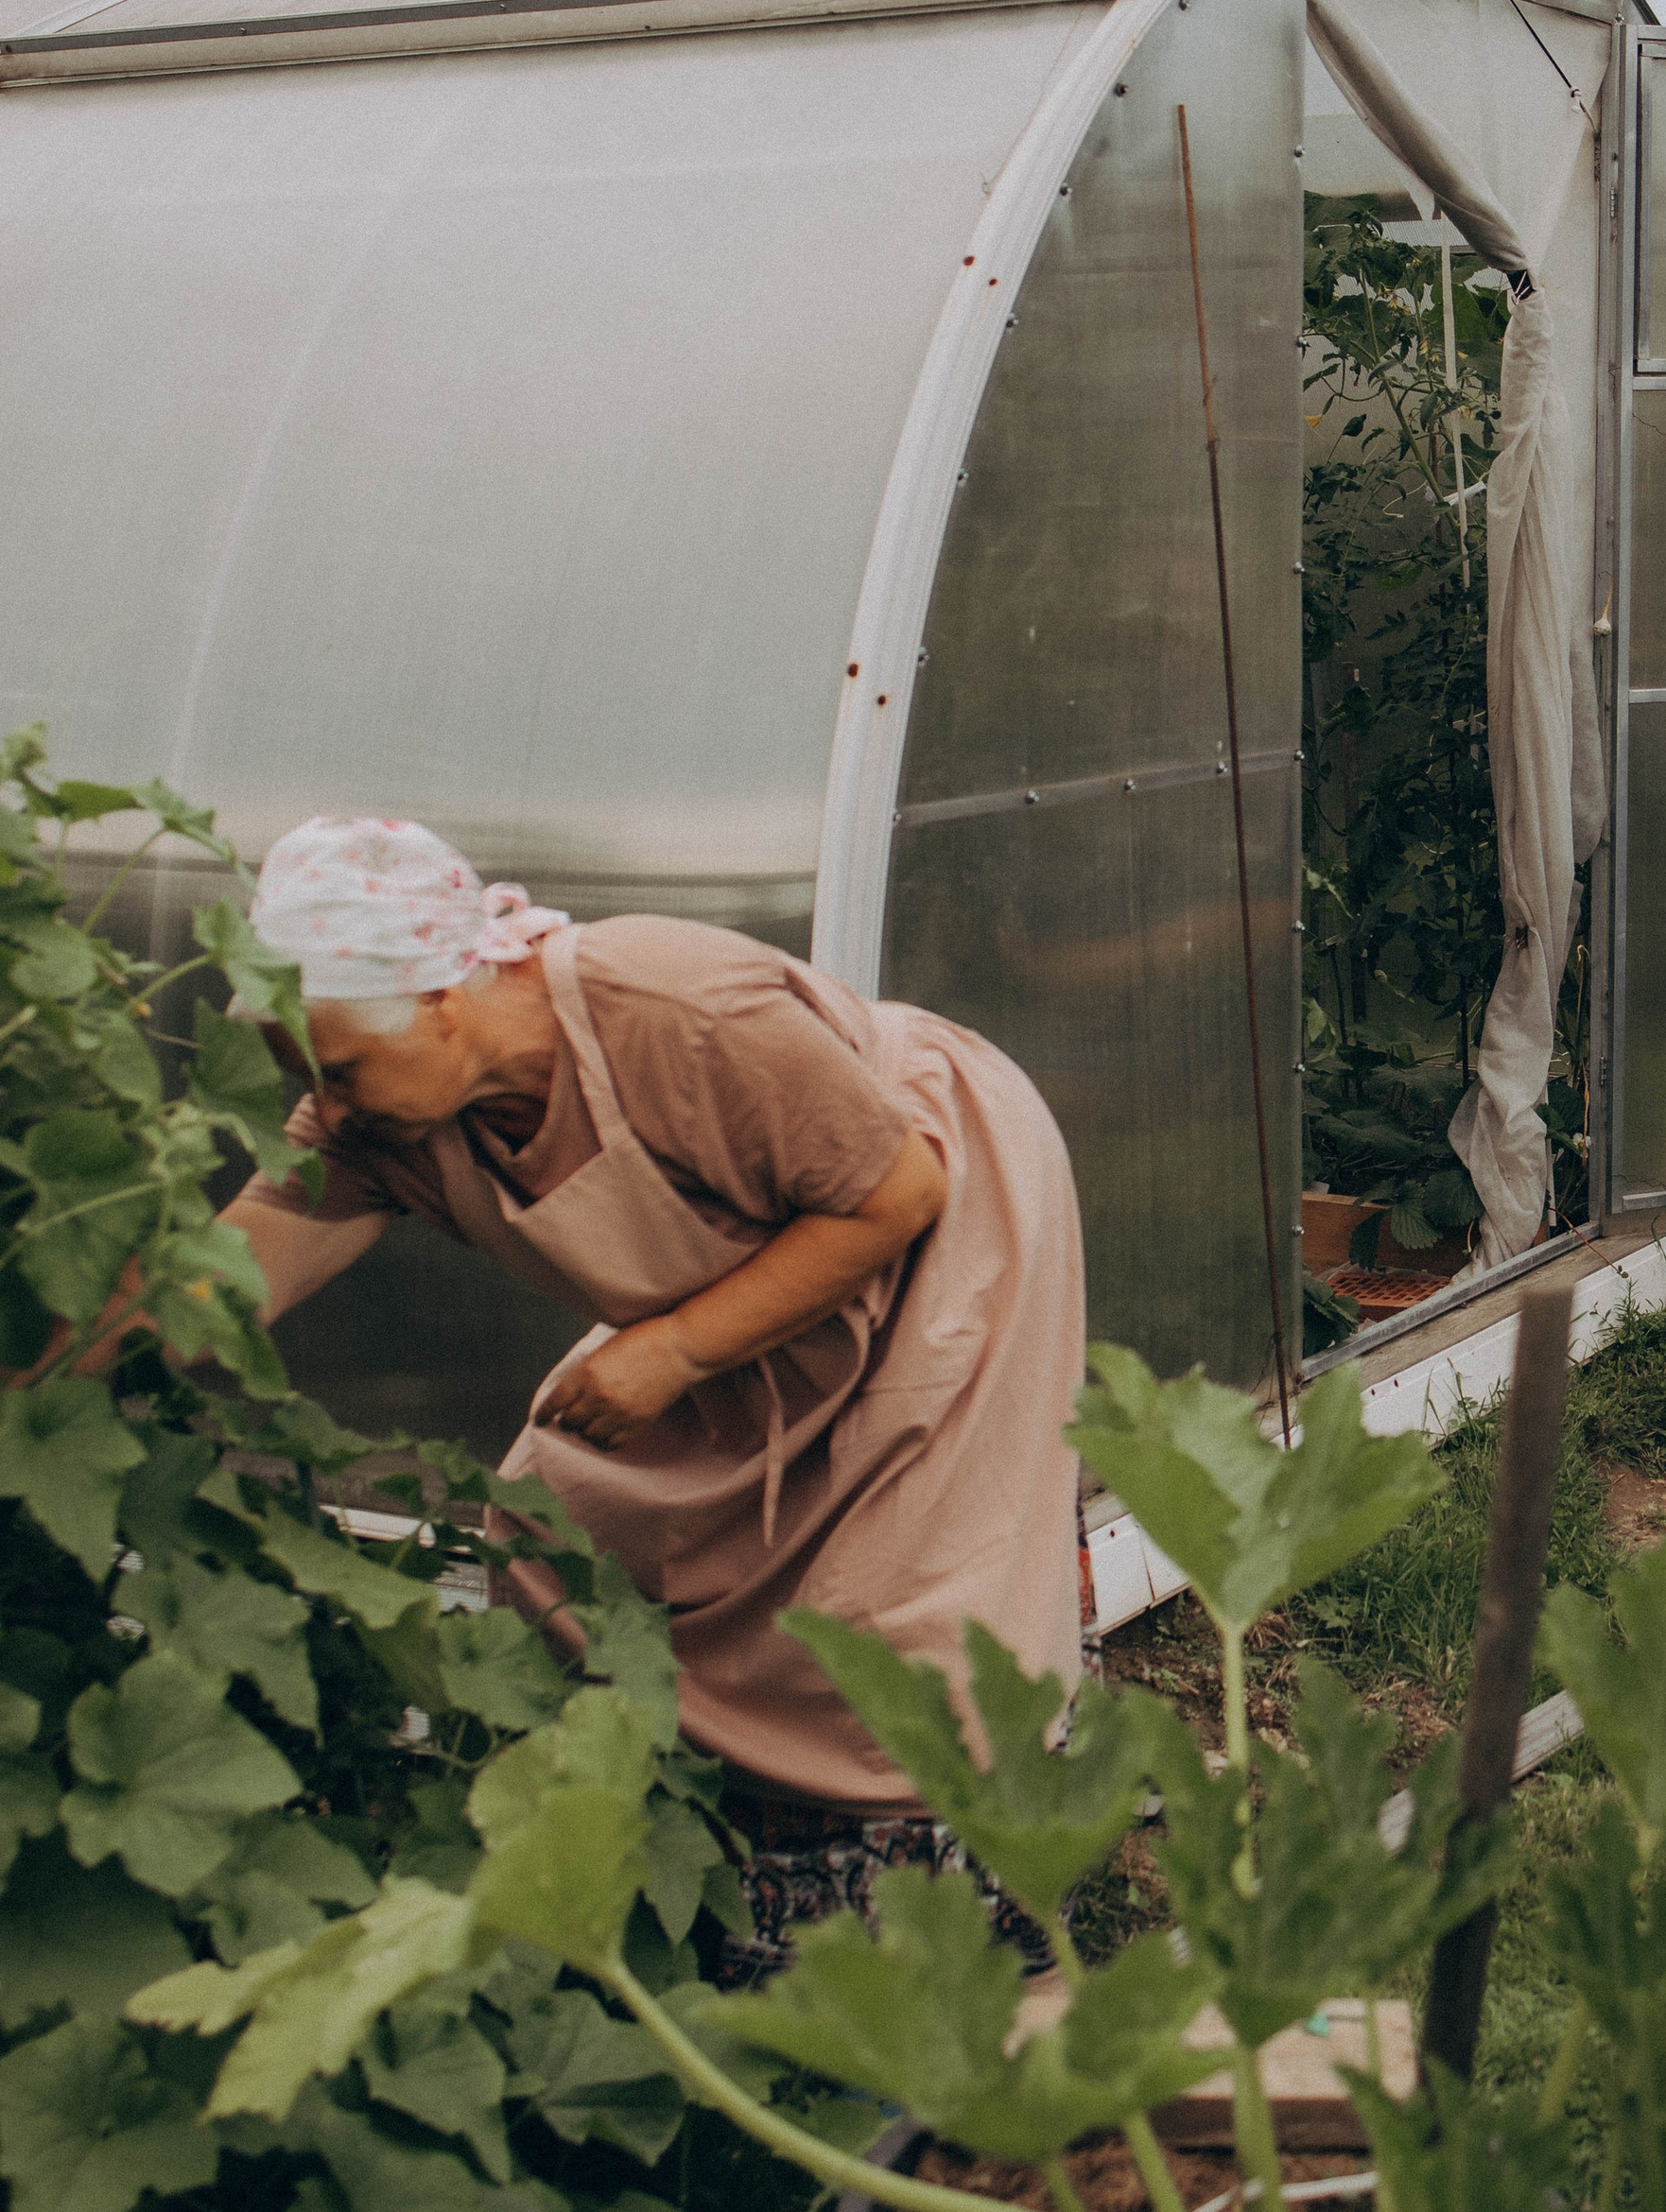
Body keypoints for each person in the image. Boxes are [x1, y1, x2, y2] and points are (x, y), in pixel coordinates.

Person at [221, 816, 1086, 1962]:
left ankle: (942, 1944)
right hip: (757, 1263)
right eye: (305, 1079)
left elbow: (893, 1198)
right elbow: (225, 1282)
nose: (323, 1108)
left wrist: (676, 1350)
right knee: (562, 1515)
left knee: (896, 1603)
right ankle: (670, 1867)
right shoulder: (380, 1115)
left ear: (439, 997)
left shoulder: (671, 1007)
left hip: (926, 1216)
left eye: (336, 1071)